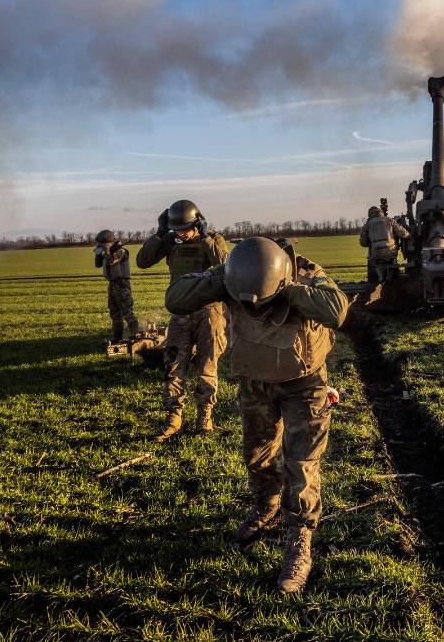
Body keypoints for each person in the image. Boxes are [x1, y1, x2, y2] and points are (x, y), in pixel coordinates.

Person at [166, 236, 349, 593]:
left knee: (301, 465)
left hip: (304, 386)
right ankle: (266, 506)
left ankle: (299, 539)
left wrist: (293, 290)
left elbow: (337, 311)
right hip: (256, 385)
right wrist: (220, 279)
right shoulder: (232, 278)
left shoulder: (307, 276)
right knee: (257, 455)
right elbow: (175, 298)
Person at [136, 200, 230, 439]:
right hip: (180, 313)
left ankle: (204, 417)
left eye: (185, 229)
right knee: (173, 366)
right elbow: (142, 261)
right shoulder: (169, 241)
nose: (181, 233)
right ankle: (173, 418)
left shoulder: (213, 239)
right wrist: (159, 235)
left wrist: (206, 237)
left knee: (207, 367)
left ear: (197, 223)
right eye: (176, 229)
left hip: (209, 312)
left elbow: (226, 266)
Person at [93, 229, 141, 342]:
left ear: (107, 242)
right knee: (115, 313)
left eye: (101, 243)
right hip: (112, 284)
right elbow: (97, 264)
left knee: (127, 312)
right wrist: (99, 254)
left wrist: (107, 251)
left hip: (122, 284)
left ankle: (137, 338)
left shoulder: (121, 251)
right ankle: (117, 339)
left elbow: (111, 262)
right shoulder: (108, 251)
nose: (99, 245)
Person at [359, 204, 410, 284]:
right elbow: (403, 233)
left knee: (377, 266)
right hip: (390, 253)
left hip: (376, 255)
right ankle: (390, 280)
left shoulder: (367, 225)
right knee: (392, 266)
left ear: (370, 214)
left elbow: (363, 243)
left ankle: (381, 280)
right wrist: (409, 234)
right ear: (380, 212)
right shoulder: (389, 220)